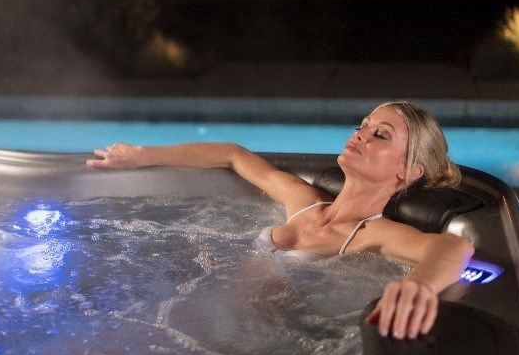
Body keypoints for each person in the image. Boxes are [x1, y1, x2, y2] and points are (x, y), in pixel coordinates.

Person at [86, 101, 474, 341]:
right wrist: (142, 155)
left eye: (381, 135)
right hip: (189, 318)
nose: (360, 135)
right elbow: (231, 155)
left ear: (409, 171)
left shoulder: (373, 234)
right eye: (363, 125)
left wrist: (419, 286)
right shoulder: (303, 202)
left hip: (244, 343)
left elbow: (454, 246)